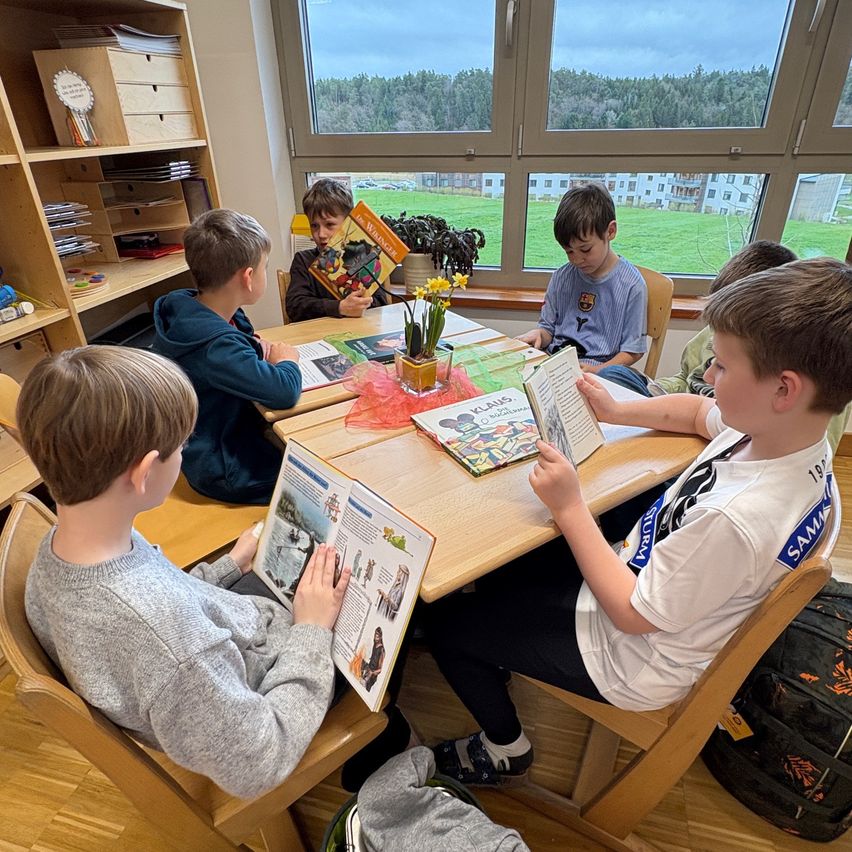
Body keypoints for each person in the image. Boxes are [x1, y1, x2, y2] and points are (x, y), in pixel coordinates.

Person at [426, 258, 852, 787]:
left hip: (630, 658)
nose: (708, 377)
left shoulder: (738, 518)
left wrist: (570, 507)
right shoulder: (787, 441)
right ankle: (504, 645)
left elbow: (631, 614)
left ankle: (504, 747)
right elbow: (698, 415)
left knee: (446, 623)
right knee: (510, 565)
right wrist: (615, 411)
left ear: (784, 389)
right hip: (648, 588)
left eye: (720, 366)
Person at [19, 346, 350, 799]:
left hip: (230, 650)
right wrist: (312, 631)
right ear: (144, 473)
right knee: (398, 623)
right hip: (273, 688)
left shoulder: (63, 548)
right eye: (180, 447)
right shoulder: (165, 639)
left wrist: (228, 567)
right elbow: (259, 760)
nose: (183, 455)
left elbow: (167, 599)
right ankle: (381, 748)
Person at [153, 208, 301, 505]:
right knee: (313, 480)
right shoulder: (214, 347)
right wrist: (287, 360)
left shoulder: (190, 306)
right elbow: (284, 392)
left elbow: (246, 339)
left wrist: (256, 349)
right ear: (248, 277)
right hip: (224, 467)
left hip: (219, 436)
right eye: (264, 267)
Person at [517, 182, 647, 372]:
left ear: (610, 232)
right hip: (557, 366)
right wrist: (538, 334)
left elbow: (633, 351)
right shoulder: (562, 277)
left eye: (585, 249)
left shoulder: (632, 285)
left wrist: (599, 369)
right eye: (569, 251)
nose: (577, 259)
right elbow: (548, 330)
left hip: (603, 374)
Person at [286, 178, 388, 322]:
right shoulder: (303, 260)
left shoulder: (364, 257)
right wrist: (339, 307)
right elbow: (294, 306)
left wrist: (361, 304)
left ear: (348, 223)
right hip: (316, 337)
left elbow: (382, 303)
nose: (321, 234)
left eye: (329, 224)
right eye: (314, 226)